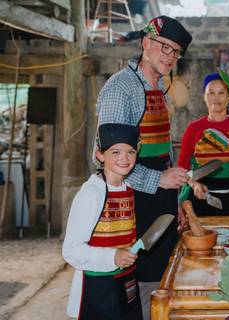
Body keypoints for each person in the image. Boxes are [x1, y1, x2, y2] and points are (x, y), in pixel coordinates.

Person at [95, 16, 192, 319]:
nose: (170, 56)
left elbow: (161, 149)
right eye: (164, 47)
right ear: (146, 43)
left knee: (160, 281)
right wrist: (158, 180)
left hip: (157, 199)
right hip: (129, 200)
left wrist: (172, 197)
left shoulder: (160, 87)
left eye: (176, 52)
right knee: (134, 287)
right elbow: (108, 159)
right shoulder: (120, 88)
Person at [63, 123, 142, 319]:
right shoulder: (91, 194)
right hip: (98, 287)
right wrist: (112, 257)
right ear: (100, 155)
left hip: (127, 281)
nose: (124, 158)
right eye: (115, 152)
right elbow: (71, 251)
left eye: (130, 152)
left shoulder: (127, 188)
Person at [178, 73, 229, 215]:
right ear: (204, 97)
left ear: (228, 97)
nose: (216, 97)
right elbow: (182, 168)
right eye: (211, 93)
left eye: (221, 93)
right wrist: (194, 184)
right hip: (200, 200)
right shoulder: (194, 128)